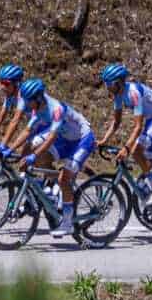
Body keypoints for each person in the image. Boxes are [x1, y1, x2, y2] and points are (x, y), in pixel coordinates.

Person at [11, 76, 94, 233]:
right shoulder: (38, 109)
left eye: (29, 101)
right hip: (66, 139)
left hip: (82, 139)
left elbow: (51, 138)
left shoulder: (56, 109)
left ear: (38, 98)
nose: (27, 105)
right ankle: (54, 188)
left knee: (65, 177)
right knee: (42, 158)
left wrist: (32, 156)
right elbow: (27, 131)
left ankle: (68, 222)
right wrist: (10, 149)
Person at [93, 63, 152, 202]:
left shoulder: (133, 93)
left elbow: (138, 126)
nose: (108, 88)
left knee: (137, 151)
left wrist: (126, 148)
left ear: (119, 82)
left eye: (110, 85)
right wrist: (103, 140)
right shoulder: (118, 95)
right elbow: (116, 122)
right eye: (106, 85)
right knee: (150, 160)